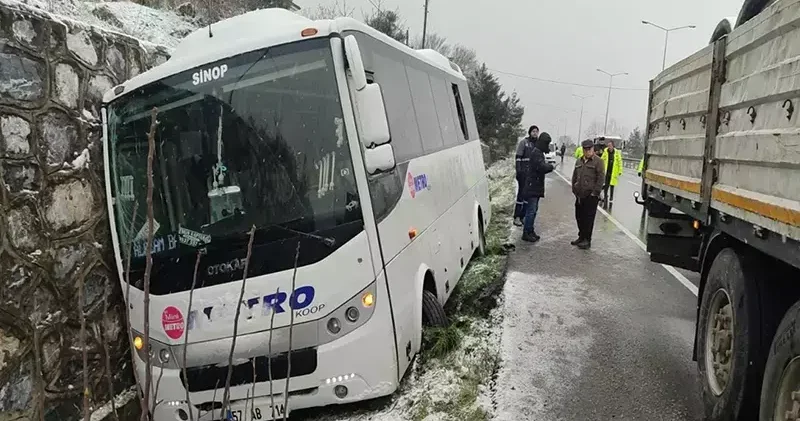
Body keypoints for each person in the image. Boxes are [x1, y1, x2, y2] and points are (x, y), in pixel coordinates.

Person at [520, 132, 555, 243]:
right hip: (532, 186)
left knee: (533, 210)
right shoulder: (536, 153)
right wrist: (550, 167)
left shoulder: (538, 152)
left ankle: (530, 231)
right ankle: (526, 233)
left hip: (535, 186)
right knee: (531, 211)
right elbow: (541, 167)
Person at [571, 139, 605, 250]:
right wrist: (574, 189)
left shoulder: (598, 162)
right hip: (580, 194)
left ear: (593, 149)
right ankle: (581, 236)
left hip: (591, 195)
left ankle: (587, 240)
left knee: (588, 218)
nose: (587, 152)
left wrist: (596, 192)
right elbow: (575, 176)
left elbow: (601, 178)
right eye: (585, 149)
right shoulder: (579, 161)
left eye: (589, 149)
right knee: (579, 216)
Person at [514, 125, 539, 226]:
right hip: (523, 174)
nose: (535, 133)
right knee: (521, 195)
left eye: (537, 131)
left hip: (532, 176)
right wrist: (519, 171)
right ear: (530, 132)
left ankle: (523, 216)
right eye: (533, 131)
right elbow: (518, 157)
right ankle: (517, 217)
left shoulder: (537, 144)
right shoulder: (524, 143)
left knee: (528, 197)